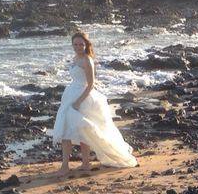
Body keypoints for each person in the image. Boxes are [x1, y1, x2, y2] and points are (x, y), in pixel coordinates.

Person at [53, 32, 137, 175]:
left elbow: (91, 84)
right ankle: (76, 164)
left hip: (83, 98)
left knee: (83, 131)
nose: (78, 47)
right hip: (70, 94)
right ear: (72, 45)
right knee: (71, 129)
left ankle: (75, 165)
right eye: (75, 44)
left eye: (81, 44)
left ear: (86, 45)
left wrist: (78, 101)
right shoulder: (74, 58)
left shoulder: (87, 60)